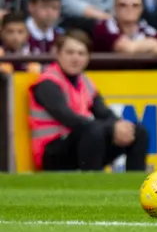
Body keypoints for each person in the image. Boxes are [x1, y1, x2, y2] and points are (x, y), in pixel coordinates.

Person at [29, 30, 149, 171]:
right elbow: (70, 119)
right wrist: (112, 128)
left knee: (138, 131)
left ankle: (134, 186)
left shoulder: (85, 82)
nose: (75, 58)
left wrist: (120, 126)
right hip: (52, 152)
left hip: (80, 142)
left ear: (87, 58)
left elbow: (104, 113)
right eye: (70, 52)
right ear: (58, 54)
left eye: (81, 54)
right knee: (94, 129)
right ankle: (94, 185)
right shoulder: (48, 83)